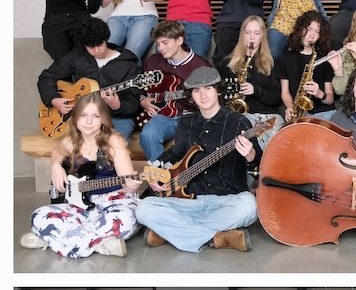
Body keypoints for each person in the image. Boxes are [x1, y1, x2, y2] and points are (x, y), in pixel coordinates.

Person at [136, 66, 262, 253]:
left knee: (250, 206)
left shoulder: (238, 122)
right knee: (143, 208)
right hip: (188, 201)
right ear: (191, 95)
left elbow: (258, 165)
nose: (203, 95)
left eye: (208, 88)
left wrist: (250, 154)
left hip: (226, 200)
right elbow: (174, 153)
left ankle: (170, 232)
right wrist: (154, 173)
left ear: (218, 90)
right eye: (196, 90)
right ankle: (218, 237)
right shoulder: (186, 123)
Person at [20, 93, 142, 258]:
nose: (89, 121)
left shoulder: (114, 141)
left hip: (113, 203)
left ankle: (53, 240)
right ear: (75, 118)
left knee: (128, 219)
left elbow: (127, 185)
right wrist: (56, 166)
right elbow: (57, 152)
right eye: (83, 115)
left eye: (95, 116)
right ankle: (101, 244)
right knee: (38, 216)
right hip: (80, 206)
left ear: (103, 119)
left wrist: (131, 184)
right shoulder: (70, 142)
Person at [37, 17, 141, 140]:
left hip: (118, 118)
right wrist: (53, 99)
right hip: (83, 116)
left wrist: (117, 105)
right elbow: (47, 78)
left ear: (106, 39)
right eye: (91, 47)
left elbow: (134, 103)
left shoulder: (127, 63)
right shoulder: (77, 57)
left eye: (99, 45)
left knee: (117, 141)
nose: (96, 51)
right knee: (76, 146)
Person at [139, 20, 210, 161]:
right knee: (148, 134)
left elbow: (210, 101)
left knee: (187, 145)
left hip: (190, 117)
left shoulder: (200, 65)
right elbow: (138, 87)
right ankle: (161, 176)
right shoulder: (153, 61)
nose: (161, 48)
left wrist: (197, 99)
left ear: (179, 40)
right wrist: (143, 100)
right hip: (163, 116)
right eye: (158, 44)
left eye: (165, 43)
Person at [217, 16, 285, 150]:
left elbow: (276, 98)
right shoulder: (227, 64)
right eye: (247, 33)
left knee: (271, 146)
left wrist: (256, 90)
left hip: (267, 116)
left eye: (257, 33)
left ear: (262, 36)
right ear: (242, 35)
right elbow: (220, 95)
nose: (252, 38)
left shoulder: (272, 64)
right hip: (239, 117)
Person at [277, 11, 335, 121]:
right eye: (308, 29)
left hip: (324, 113)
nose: (312, 35)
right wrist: (291, 108)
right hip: (299, 114)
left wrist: (319, 93)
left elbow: (330, 98)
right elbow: (285, 92)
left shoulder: (325, 59)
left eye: (317, 32)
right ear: (300, 29)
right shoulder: (285, 58)